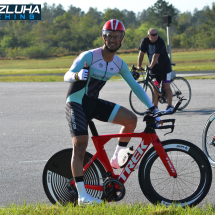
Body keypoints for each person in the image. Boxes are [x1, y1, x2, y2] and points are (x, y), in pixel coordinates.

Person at [64, 19, 160, 205]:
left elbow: (136, 87)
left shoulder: (118, 63)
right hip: (75, 103)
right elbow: (67, 75)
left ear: (122, 38)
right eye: (109, 36)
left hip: (92, 103)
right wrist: (77, 75)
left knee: (131, 120)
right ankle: (83, 196)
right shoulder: (89, 56)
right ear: (103, 37)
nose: (113, 39)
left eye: (117, 36)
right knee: (81, 145)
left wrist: (152, 107)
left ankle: (117, 158)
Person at [137, 28, 173, 111]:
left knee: (166, 86)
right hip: (154, 70)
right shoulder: (145, 41)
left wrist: (150, 66)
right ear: (148, 35)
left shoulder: (160, 41)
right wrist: (139, 66)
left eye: (156, 34)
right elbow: (141, 54)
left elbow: (156, 56)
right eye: (153, 35)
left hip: (165, 68)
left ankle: (170, 106)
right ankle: (155, 107)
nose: (155, 36)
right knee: (155, 87)